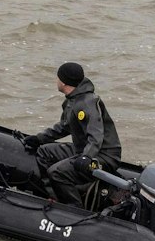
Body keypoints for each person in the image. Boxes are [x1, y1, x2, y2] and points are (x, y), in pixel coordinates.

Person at [22, 62, 121, 207]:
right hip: (82, 150)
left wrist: (87, 156)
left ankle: (74, 209)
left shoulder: (88, 103)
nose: (56, 81)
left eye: (58, 78)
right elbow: (63, 127)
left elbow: (96, 136)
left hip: (103, 156)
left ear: (63, 81)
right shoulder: (72, 101)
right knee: (44, 152)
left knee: (57, 172)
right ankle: (55, 198)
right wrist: (39, 139)